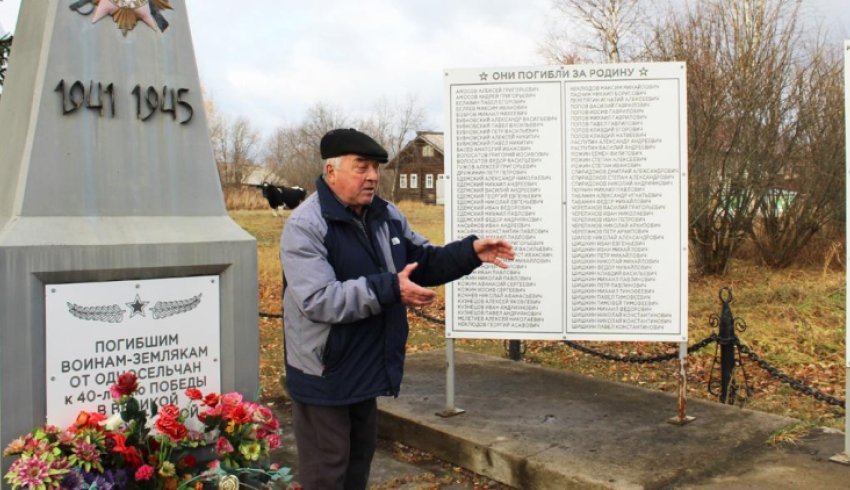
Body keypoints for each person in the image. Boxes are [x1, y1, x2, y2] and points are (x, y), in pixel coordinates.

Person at [280, 128, 514, 489]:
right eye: (361, 167)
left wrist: (470, 253)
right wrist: (391, 287)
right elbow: (318, 299)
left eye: (375, 167)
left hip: (366, 365)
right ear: (331, 171)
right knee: (327, 471)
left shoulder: (385, 214)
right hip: (323, 373)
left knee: (358, 465)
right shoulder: (305, 226)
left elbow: (421, 260)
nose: (372, 176)